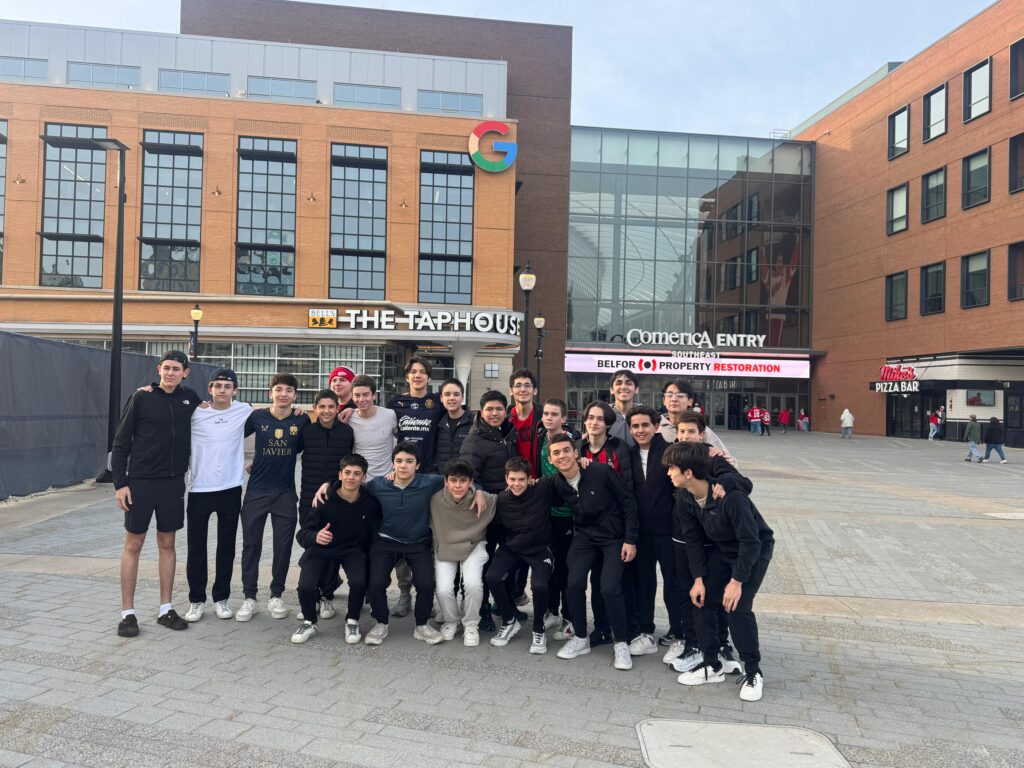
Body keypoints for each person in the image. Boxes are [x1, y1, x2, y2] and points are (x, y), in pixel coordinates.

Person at [664, 441, 774, 702]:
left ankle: (753, 671)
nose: (668, 473)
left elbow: (751, 542)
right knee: (701, 600)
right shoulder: (684, 497)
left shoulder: (730, 497)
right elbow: (692, 540)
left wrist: (737, 582)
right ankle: (712, 665)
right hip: (722, 550)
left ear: (688, 473)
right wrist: (698, 579)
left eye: (671, 469)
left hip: (753, 551)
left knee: (736, 607)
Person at [112, 350, 202, 637]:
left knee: (167, 542)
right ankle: (127, 614)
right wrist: (120, 483)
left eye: (176, 369)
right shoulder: (141, 397)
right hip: (140, 482)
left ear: (185, 373)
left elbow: (215, 411)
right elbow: (121, 442)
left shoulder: (191, 399)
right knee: (134, 544)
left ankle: (166, 609)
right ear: (159, 369)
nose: (170, 373)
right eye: (166, 368)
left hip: (172, 483)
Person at [548, 434, 639, 671]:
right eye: (556, 453)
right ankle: (580, 637)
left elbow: (628, 502)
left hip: (613, 537)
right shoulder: (557, 483)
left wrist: (630, 539)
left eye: (566, 450)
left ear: (576, 453)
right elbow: (533, 489)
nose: (562, 456)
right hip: (585, 537)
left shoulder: (600, 472)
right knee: (574, 583)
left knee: (609, 587)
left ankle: (621, 643)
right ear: (551, 459)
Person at [672, 410, 747, 675]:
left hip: (712, 540)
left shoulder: (712, 457)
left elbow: (743, 483)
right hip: (682, 537)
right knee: (688, 593)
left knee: (713, 596)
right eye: (681, 431)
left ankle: (721, 645)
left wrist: (724, 482)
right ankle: (693, 644)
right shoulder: (672, 456)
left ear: (702, 434)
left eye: (691, 432)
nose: (686, 436)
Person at [236, 373, 308, 622]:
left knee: (283, 546)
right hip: (257, 491)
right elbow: (230, 437)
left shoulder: (302, 420)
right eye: (279, 389)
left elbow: (307, 446)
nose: (283, 394)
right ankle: (249, 597)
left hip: (285, 493)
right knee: (251, 545)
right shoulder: (257, 417)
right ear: (271, 393)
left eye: (289, 390)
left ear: (295, 395)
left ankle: (276, 595)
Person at [183, 368, 252, 623]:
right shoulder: (195, 412)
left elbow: (274, 416)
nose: (222, 390)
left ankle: (221, 598)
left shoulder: (243, 410)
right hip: (199, 489)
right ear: (210, 389)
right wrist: (148, 389)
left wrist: (297, 411)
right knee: (196, 547)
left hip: (230, 488)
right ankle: (196, 600)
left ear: (235, 390)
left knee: (226, 547)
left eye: (227, 386)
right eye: (218, 386)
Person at [486, 457, 574, 654]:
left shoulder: (541, 489)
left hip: (539, 549)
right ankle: (509, 621)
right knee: (492, 577)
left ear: (530, 478)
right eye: (512, 479)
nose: (516, 484)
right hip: (513, 547)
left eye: (521, 479)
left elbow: (562, 473)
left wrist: (582, 461)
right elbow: (497, 525)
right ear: (506, 479)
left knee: (539, 585)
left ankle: (538, 629)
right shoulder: (502, 499)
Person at [291, 454, 378, 645]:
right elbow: (302, 534)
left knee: (358, 582)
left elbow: (373, 533)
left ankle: (352, 620)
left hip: (352, 550)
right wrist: (315, 536)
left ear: (364, 477)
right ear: (340, 475)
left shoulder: (369, 503)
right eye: (347, 472)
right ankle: (309, 622)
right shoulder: (323, 499)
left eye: (357, 474)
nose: (351, 477)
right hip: (321, 549)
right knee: (306, 586)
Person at [624, 405, 687, 661]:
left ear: (656, 426)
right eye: (635, 426)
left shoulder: (671, 452)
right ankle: (645, 633)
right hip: (641, 533)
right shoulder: (627, 454)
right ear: (630, 429)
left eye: (645, 425)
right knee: (643, 584)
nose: (640, 430)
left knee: (674, 584)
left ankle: (680, 634)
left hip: (669, 531)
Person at [459, 389, 519, 631]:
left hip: (508, 510)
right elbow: (467, 474)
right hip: (484, 511)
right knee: (484, 562)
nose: (495, 413)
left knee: (509, 560)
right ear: (481, 412)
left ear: (506, 411)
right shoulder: (474, 440)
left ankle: (504, 605)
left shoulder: (509, 433)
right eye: (490, 409)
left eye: (499, 409)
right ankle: (481, 608)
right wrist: (479, 490)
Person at [578, 400, 635, 648]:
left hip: (615, 527)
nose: (594, 422)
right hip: (588, 527)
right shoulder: (578, 448)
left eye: (600, 419)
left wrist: (630, 534)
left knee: (614, 584)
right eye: (591, 417)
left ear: (608, 424)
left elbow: (629, 491)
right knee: (595, 581)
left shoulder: (619, 448)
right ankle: (602, 628)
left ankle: (626, 629)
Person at [295, 389, 354, 621]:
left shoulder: (347, 432)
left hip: (336, 499)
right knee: (312, 546)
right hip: (309, 499)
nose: (327, 411)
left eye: (331, 407)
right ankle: (312, 595)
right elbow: (286, 450)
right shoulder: (307, 431)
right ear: (315, 409)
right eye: (322, 407)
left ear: (338, 408)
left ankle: (327, 595)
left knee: (331, 546)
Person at [430, 458, 497, 647]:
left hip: (474, 544)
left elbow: (509, 495)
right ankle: (451, 620)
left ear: (471, 482)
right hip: (445, 545)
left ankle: (471, 623)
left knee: (473, 584)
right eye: (453, 480)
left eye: (462, 481)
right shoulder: (434, 499)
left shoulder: (484, 499)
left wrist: (532, 483)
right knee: (443, 588)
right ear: (446, 481)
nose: (457, 485)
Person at [536, 398, 576, 639]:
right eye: (546, 414)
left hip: (570, 515)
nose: (549, 418)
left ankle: (570, 619)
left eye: (554, 414)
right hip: (547, 514)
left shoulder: (572, 440)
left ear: (564, 418)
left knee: (568, 569)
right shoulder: (540, 438)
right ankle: (552, 611)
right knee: (551, 567)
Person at [388, 356, 443, 473]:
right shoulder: (395, 402)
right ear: (407, 377)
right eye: (413, 372)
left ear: (429, 378)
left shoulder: (438, 401)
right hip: (404, 468)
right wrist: (351, 410)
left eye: (422, 372)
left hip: (430, 470)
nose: (417, 375)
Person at [659, 379, 732, 458]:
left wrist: (721, 454)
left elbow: (729, 461)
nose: (674, 399)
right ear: (664, 400)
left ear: (690, 401)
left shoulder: (701, 430)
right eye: (669, 395)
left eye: (680, 395)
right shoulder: (655, 428)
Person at [348, 375, 398, 479]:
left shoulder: (390, 415)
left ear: (374, 395)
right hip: (360, 481)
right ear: (352, 397)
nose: (361, 399)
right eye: (357, 395)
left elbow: (402, 440)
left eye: (366, 395)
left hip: (386, 480)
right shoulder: (349, 419)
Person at [507, 368, 542, 476]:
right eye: (518, 385)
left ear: (534, 391)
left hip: (539, 480)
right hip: (514, 481)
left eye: (527, 385)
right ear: (511, 391)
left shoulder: (544, 417)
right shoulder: (504, 421)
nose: (523, 389)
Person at [435, 378, 473, 473]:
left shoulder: (474, 422)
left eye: (456, 394)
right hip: (443, 478)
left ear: (462, 398)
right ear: (441, 398)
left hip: (466, 478)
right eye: (447, 394)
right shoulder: (438, 423)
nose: (451, 398)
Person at [608, 369, 638, 447]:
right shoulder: (604, 414)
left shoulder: (645, 415)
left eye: (629, 383)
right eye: (618, 383)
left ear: (636, 389)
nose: (623, 387)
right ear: (611, 390)